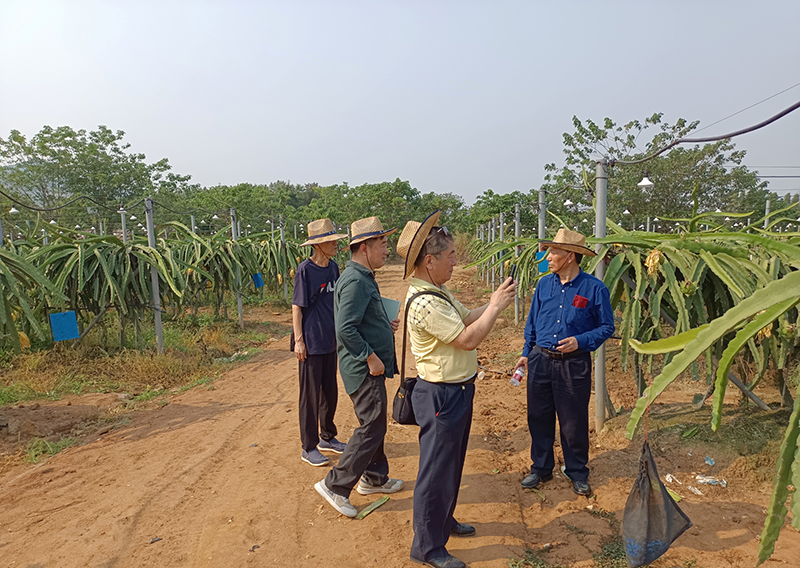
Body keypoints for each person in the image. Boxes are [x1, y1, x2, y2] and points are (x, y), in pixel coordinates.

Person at [397, 211, 516, 568]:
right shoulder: (425, 303)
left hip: (457, 392)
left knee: (451, 466)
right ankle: (428, 548)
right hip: (441, 396)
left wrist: (493, 302)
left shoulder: (440, 291)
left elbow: (466, 317)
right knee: (435, 472)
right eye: (450, 257)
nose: (454, 262)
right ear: (429, 261)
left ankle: (443, 523)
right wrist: (494, 308)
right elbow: (466, 338)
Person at [513, 228, 614, 497]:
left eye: (553, 251)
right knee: (538, 416)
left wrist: (580, 341)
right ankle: (541, 468)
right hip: (540, 360)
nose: (547, 256)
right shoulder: (544, 285)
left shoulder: (594, 288)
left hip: (574, 364)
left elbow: (607, 327)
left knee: (573, 420)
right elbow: (532, 322)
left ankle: (577, 471)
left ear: (570, 256)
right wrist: (526, 352)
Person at [314, 216, 404, 518]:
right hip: (363, 369)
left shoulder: (363, 277)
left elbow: (359, 320)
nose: (386, 250)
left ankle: (374, 478)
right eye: (382, 244)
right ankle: (336, 485)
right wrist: (370, 356)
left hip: (366, 366)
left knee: (374, 421)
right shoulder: (355, 281)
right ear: (364, 247)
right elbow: (346, 329)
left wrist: (382, 322)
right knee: (373, 424)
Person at [292, 218, 349, 467]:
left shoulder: (333, 267)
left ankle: (328, 436)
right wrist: (299, 341)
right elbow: (297, 307)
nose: (336, 244)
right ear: (317, 245)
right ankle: (308, 446)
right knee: (310, 395)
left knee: (330, 392)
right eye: (330, 241)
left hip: (330, 340)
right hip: (311, 342)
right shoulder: (305, 270)